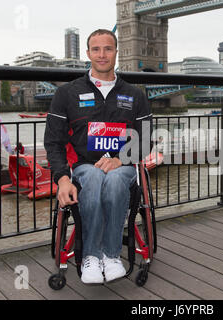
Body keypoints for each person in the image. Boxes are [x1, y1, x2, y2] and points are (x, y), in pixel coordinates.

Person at [44, 29, 152, 284]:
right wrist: (61, 179)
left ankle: (111, 255)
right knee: (92, 177)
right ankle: (92, 256)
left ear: (116, 52)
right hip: (83, 167)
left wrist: (120, 160)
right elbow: (54, 142)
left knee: (114, 179)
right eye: (96, 49)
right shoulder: (66, 93)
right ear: (88, 54)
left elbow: (145, 141)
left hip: (122, 165)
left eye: (108, 49)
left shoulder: (136, 95)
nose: (102, 55)